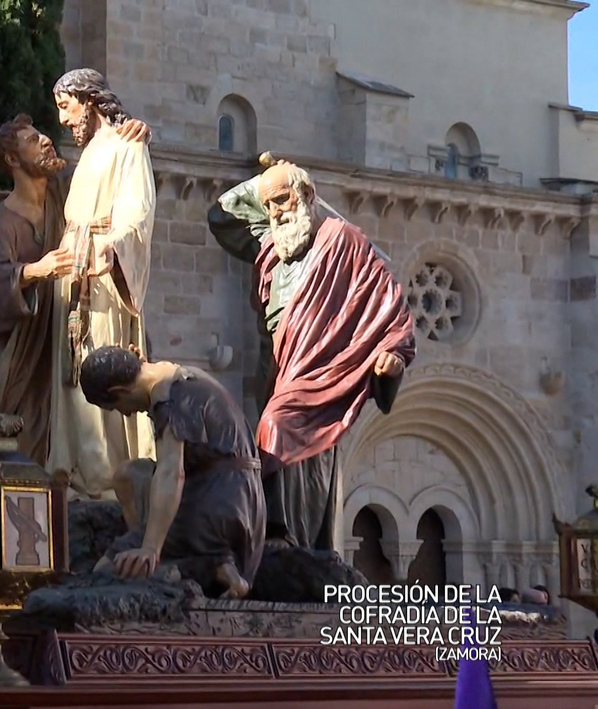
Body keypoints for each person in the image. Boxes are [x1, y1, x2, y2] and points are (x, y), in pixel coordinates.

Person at [208, 158, 415, 551]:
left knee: (276, 427)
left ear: (306, 195)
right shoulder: (270, 244)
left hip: (324, 367)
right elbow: (220, 215)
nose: (275, 212)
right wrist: (262, 181)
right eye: (267, 205)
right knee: (299, 452)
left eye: (282, 200)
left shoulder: (343, 241)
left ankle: (277, 532)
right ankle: (306, 543)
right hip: (278, 362)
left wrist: (393, 356)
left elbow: (388, 301)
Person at [0, 113, 150, 464]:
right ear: (13, 160)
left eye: (42, 134)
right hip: (7, 335)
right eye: (33, 140)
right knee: (8, 420)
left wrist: (132, 131)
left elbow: (104, 168)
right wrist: (36, 269)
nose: (47, 139)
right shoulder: (2, 221)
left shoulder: (63, 192)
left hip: (49, 327)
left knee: (45, 420)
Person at [46, 68, 158, 499]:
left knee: (101, 369)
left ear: (88, 100)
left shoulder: (128, 146)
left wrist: (109, 249)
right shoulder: (89, 152)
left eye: (65, 106)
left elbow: (138, 212)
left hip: (104, 280)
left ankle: (109, 480)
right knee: (71, 377)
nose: (61, 119)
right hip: (71, 280)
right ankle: (73, 472)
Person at [77, 345, 266, 599]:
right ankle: (219, 566)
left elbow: (170, 472)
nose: (126, 413)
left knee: (109, 568)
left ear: (119, 391)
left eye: (117, 406)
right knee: (127, 475)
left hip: (218, 507)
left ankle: (162, 559)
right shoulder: (177, 374)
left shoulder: (169, 398)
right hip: (241, 499)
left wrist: (150, 548)